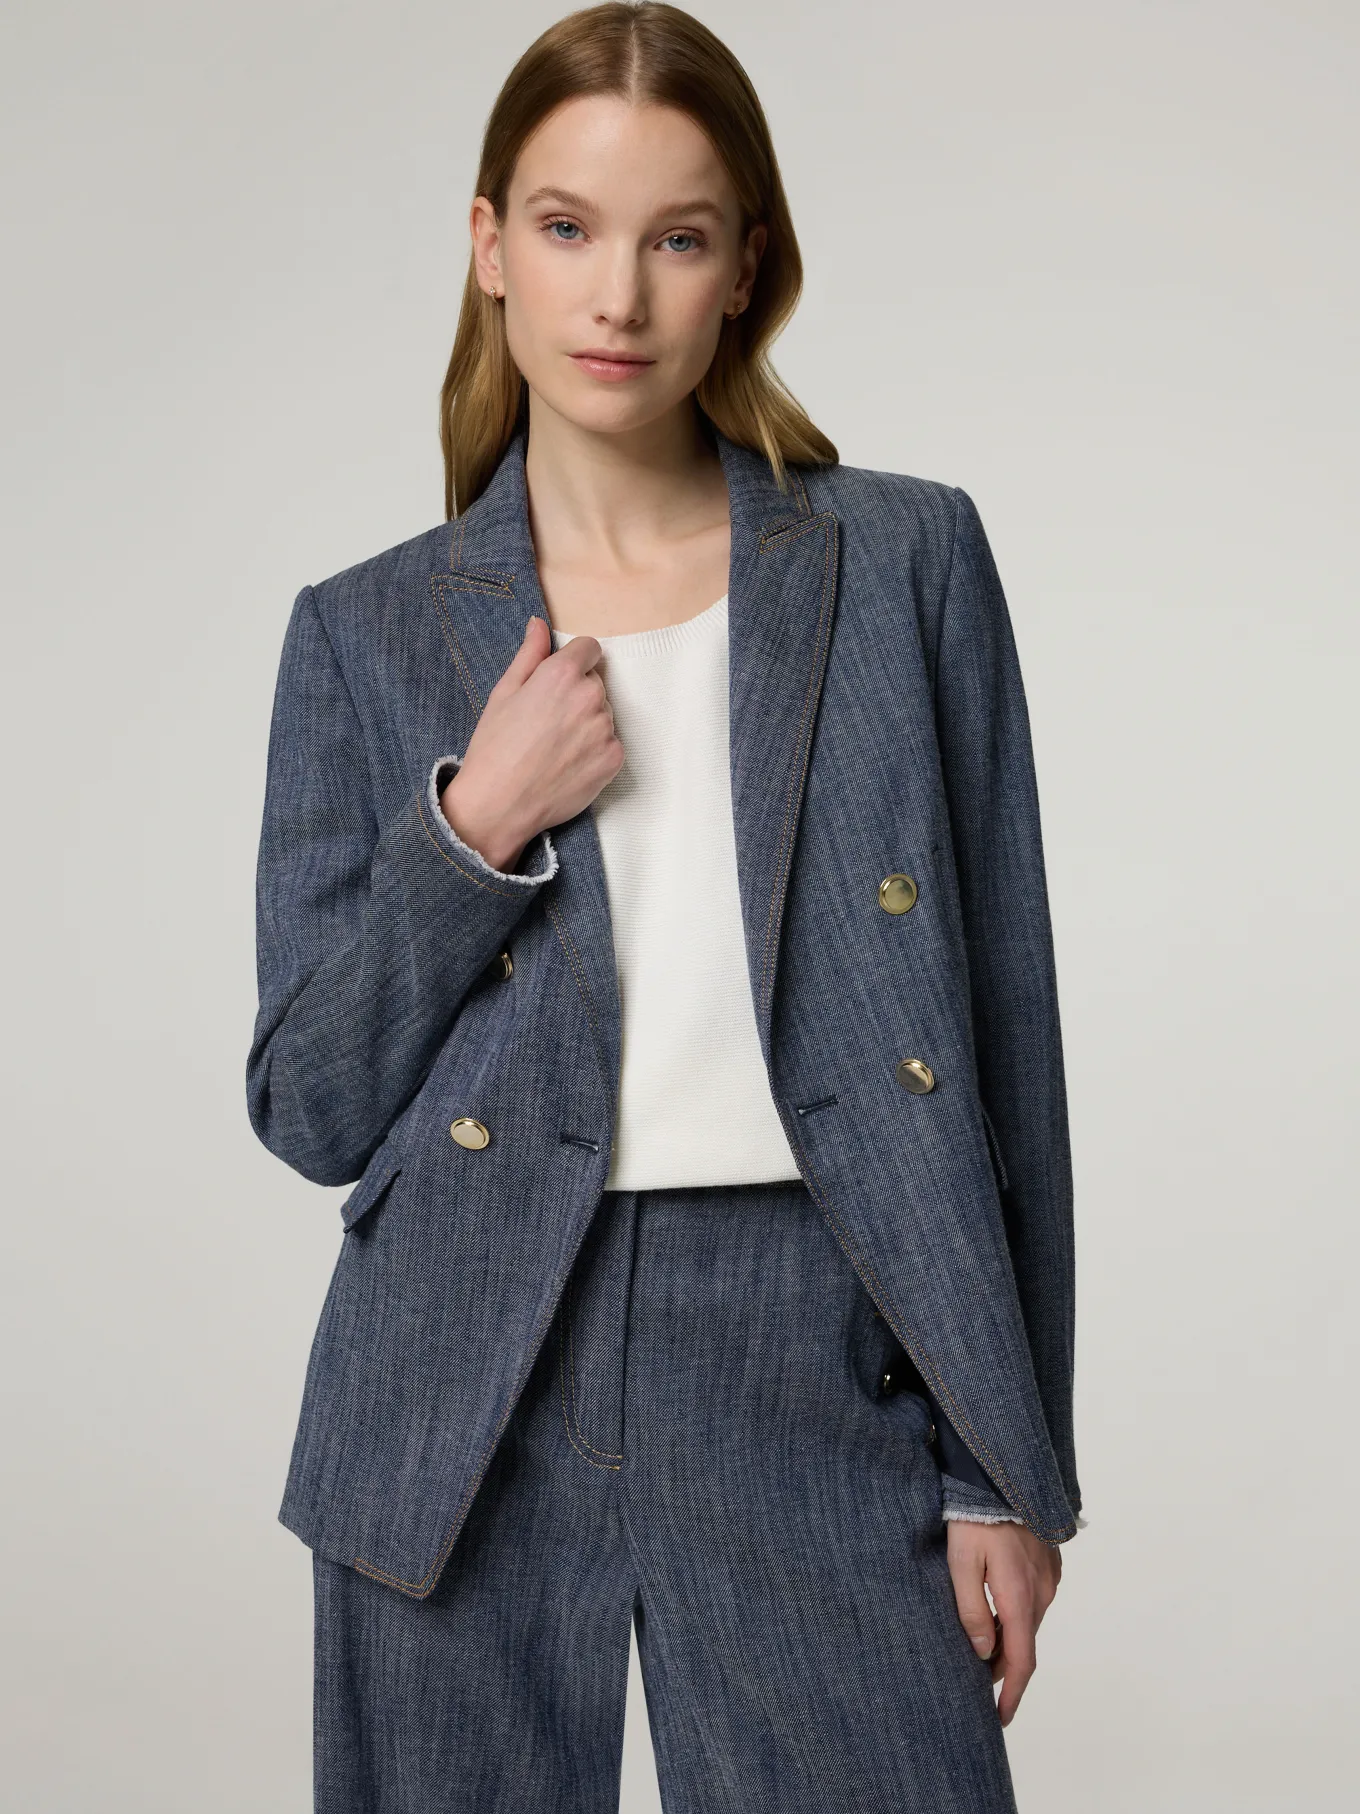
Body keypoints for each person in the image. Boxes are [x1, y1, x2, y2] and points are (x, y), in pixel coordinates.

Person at [246, 5, 1081, 1809]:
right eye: (567, 227)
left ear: (744, 268)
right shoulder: (365, 631)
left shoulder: (903, 562)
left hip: (817, 1341)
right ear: (490, 246)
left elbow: (1004, 1041)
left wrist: (1004, 1462)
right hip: (464, 1378)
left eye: (676, 237)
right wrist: (476, 822)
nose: (615, 294)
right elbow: (307, 1103)